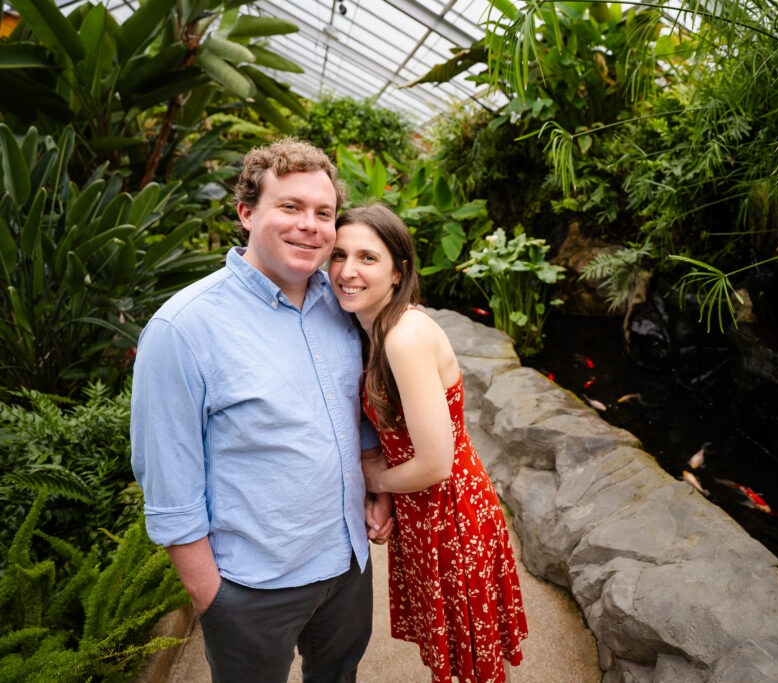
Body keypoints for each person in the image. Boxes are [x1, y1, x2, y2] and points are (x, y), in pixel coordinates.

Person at [130, 139, 394, 683]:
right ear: (247, 213)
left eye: (323, 213)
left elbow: (358, 412)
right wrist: (213, 599)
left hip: (347, 567)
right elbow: (169, 485)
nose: (310, 226)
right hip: (252, 588)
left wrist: (377, 486)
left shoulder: (342, 304)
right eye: (290, 207)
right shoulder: (183, 329)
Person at [329, 203, 528, 682]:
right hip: (423, 508)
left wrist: (374, 479)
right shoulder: (371, 327)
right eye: (338, 255)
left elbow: (436, 463)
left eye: (367, 258)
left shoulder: (405, 337)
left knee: (470, 655)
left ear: (399, 272)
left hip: (449, 511)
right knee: (457, 651)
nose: (347, 271)